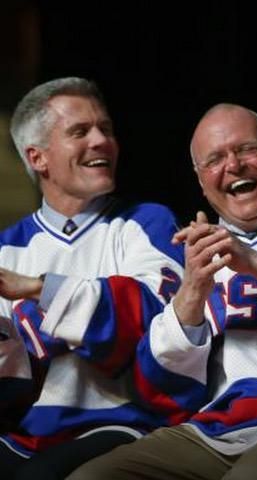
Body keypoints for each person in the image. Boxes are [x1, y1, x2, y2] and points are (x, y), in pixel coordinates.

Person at [68, 103, 257, 480]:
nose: (233, 165)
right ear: (201, 182)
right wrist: (192, 292)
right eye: (215, 159)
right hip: (212, 428)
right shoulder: (189, 252)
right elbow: (161, 382)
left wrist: (256, 262)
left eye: (246, 149)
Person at [0, 77, 194, 479]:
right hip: (23, 431)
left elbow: (155, 318)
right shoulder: (7, 248)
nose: (101, 141)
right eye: (79, 132)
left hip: (122, 421)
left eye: (105, 129)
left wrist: (40, 289)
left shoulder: (145, 223)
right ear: (38, 158)